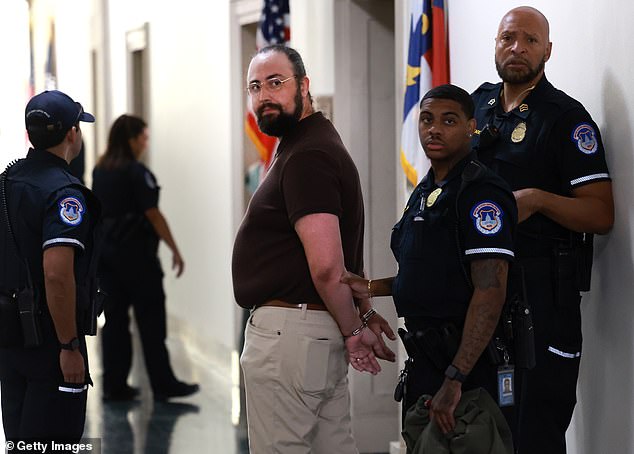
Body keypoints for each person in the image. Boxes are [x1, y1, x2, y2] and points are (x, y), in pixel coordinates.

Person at [232, 44, 396, 454]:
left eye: (275, 82)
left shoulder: (308, 154)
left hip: (291, 338)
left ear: (304, 86)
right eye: (255, 87)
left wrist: (354, 330)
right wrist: (360, 316)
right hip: (310, 335)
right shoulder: (307, 143)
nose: (263, 95)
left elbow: (327, 266)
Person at [471, 7, 614, 453]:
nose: (518, 48)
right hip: (477, 300)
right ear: (495, 43)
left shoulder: (566, 118)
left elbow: (601, 213)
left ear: (548, 51)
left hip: (539, 305)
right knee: (478, 432)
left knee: (532, 434)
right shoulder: (476, 105)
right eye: (508, 37)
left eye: (530, 40)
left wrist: (538, 200)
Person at [342, 84, 518, 436]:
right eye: (426, 119)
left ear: (471, 127)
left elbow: (489, 291)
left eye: (448, 120)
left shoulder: (481, 193)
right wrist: (372, 287)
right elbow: (432, 274)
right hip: (426, 359)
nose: (434, 129)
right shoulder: (426, 190)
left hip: (467, 367)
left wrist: (456, 377)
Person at [0, 90, 99, 442]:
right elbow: (57, 274)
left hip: (11, 340)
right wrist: (69, 346)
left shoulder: (8, 182)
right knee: (54, 443)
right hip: (51, 344)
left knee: (23, 443)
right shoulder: (65, 193)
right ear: (72, 133)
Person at [92, 114, 198, 401]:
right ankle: (163, 384)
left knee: (115, 323)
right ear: (131, 139)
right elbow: (152, 214)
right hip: (139, 261)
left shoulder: (99, 171)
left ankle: (114, 384)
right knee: (151, 323)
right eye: (144, 137)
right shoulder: (137, 173)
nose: (146, 143)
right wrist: (174, 248)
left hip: (109, 262)